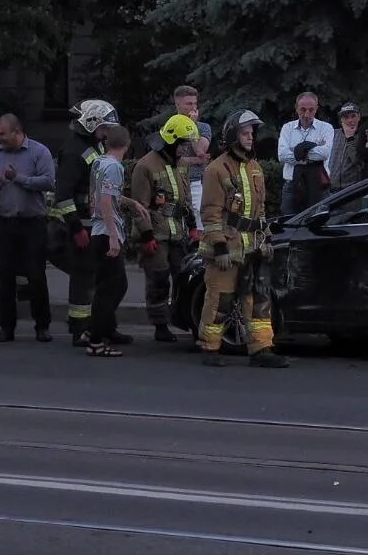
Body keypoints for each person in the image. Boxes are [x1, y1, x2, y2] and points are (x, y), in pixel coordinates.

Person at [198, 109, 289, 369]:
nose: (250, 138)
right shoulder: (216, 169)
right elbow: (211, 212)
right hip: (227, 246)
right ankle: (210, 348)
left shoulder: (255, 167)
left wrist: (266, 240)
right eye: (245, 133)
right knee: (221, 300)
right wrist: (219, 247)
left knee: (259, 300)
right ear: (232, 136)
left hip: (252, 247)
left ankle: (261, 349)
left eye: (252, 134)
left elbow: (260, 211)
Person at [50, 98, 124, 346]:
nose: (108, 133)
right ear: (92, 124)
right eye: (105, 128)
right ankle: (79, 329)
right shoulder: (74, 151)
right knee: (83, 281)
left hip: (97, 225)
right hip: (83, 226)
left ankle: (104, 326)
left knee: (112, 281)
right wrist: (76, 228)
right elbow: (63, 195)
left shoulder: (94, 147)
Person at [0, 113, 57, 343]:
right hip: (3, 222)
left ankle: (42, 325)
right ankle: (7, 327)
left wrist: (19, 178)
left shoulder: (39, 152)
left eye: (2, 134)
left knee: (36, 275)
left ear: (17, 131)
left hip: (32, 222)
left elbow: (48, 181)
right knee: (4, 276)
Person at [132, 114, 201, 343]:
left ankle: (185, 320)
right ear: (171, 141)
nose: (186, 149)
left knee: (183, 277)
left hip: (178, 232)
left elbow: (186, 199)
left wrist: (192, 226)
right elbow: (139, 206)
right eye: (183, 143)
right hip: (157, 233)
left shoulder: (181, 164)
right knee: (158, 278)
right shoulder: (145, 166)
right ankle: (160, 324)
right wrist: (146, 235)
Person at [85, 125, 138, 357]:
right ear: (127, 145)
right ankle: (95, 340)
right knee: (109, 289)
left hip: (98, 230)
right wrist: (113, 236)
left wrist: (131, 203)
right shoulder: (115, 167)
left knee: (115, 285)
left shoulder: (99, 162)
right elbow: (106, 201)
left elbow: (101, 195)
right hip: (107, 233)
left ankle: (99, 328)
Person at [277, 92, 334, 216]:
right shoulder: (287, 128)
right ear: (296, 108)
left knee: (319, 226)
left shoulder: (326, 128)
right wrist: (313, 152)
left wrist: (296, 152)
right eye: (303, 109)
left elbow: (324, 153)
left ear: (316, 109)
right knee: (288, 224)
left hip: (319, 186)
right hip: (292, 186)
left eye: (311, 110)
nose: (307, 114)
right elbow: (282, 155)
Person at [327, 103, 365, 191]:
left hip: (351, 191)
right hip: (329, 190)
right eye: (346, 117)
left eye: (353, 116)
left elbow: (359, 162)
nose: (350, 120)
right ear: (341, 119)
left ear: (359, 117)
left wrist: (350, 138)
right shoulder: (332, 134)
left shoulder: (363, 136)